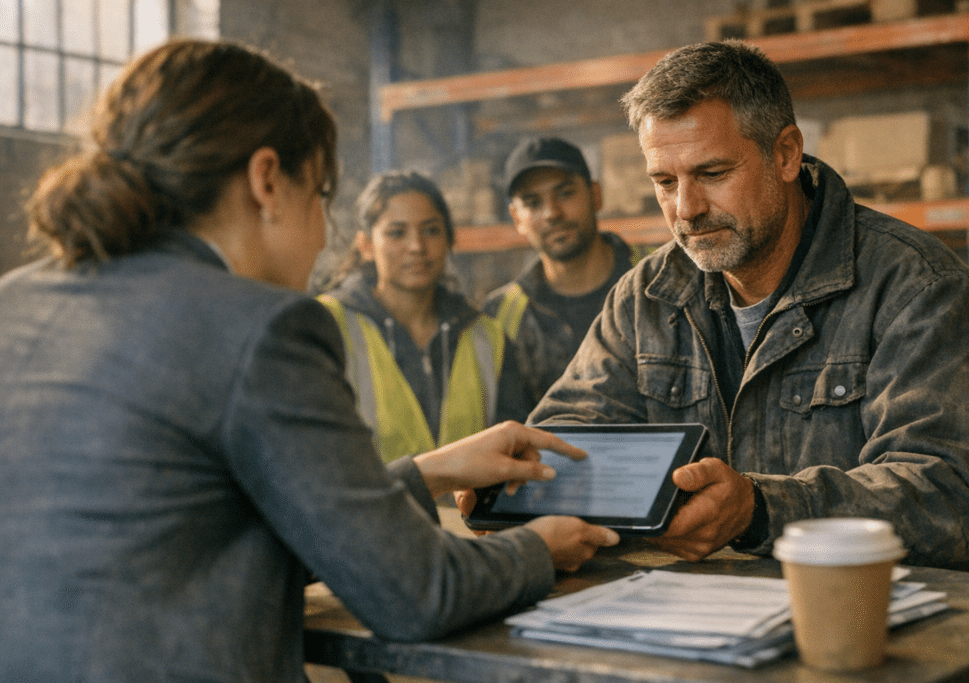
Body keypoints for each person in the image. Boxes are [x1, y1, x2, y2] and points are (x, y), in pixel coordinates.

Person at [0, 39, 619, 682]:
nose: (323, 232)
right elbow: (416, 593)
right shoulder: (260, 328)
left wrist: (429, 471)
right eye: (322, 196)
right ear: (267, 180)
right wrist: (538, 549)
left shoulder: (16, 300)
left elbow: (212, 536)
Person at [520, 40, 969, 578]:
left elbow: (950, 494)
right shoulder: (650, 295)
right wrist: (518, 484)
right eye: (665, 182)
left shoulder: (918, 289)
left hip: (911, 624)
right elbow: (566, 435)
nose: (686, 209)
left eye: (712, 173)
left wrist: (761, 510)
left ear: (785, 154)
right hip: (719, 613)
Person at [317, 171, 531, 465]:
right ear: (365, 245)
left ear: (449, 239)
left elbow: (514, 449)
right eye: (396, 233)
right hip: (366, 511)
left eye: (431, 230)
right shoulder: (327, 326)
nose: (416, 246)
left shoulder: (486, 337)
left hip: (466, 512)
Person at [483, 137, 651, 406]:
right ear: (517, 218)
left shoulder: (657, 284)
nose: (552, 213)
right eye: (533, 203)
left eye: (565, 193)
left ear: (595, 195)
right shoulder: (499, 317)